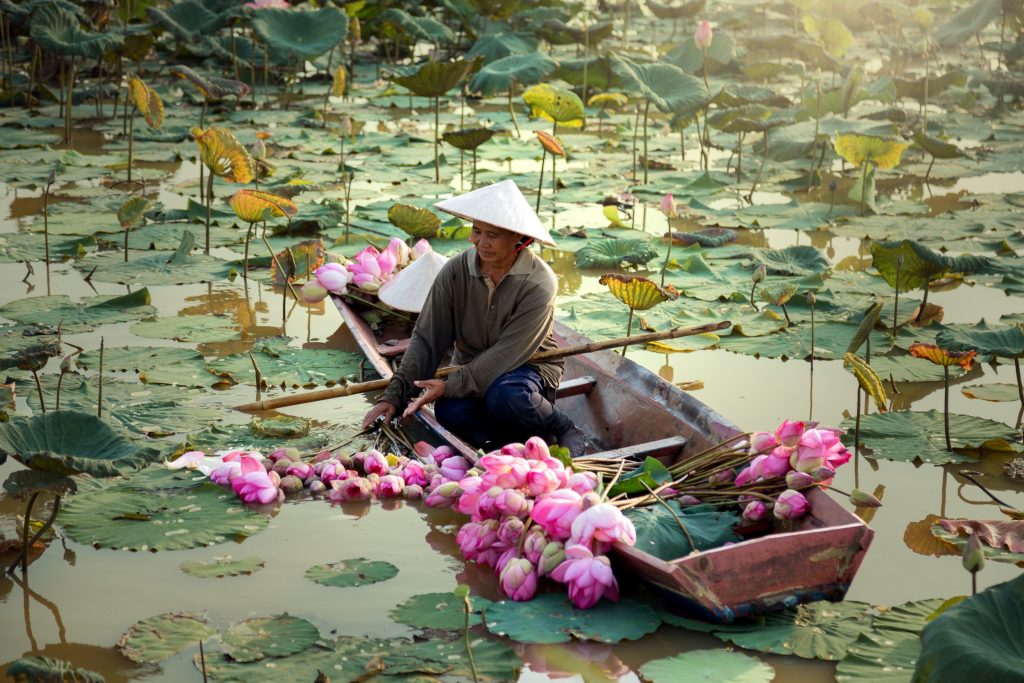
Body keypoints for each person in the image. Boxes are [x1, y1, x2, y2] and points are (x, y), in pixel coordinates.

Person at [360, 180, 586, 456]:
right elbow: (427, 339)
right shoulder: (455, 271)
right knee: (450, 411)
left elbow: (507, 354)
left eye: (492, 235)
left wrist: (447, 385)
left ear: (520, 240)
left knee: (507, 396)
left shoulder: (539, 282)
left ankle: (562, 427)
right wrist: (394, 396)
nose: (480, 241)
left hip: (527, 367)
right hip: (469, 364)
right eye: (476, 231)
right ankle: (502, 448)